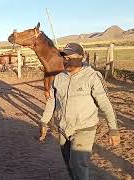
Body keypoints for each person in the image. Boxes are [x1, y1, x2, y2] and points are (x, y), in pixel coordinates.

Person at [38, 43, 120, 180]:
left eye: (70, 57)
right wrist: (44, 121)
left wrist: (113, 129)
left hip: (84, 128)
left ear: (82, 57)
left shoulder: (92, 77)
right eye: (64, 57)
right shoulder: (58, 78)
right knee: (69, 163)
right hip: (63, 129)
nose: (66, 60)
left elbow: (106, 104)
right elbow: (52, 101)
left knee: (78, 164)